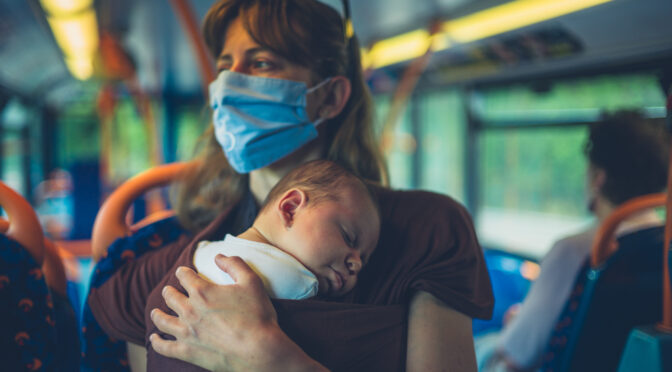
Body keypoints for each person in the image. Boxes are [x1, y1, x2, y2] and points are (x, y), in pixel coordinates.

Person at [86, 0, 494, 371]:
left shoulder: (428, 228)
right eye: (226, 65)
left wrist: (273, 361)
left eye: (262, 63)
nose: (230, 84)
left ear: (330, 97)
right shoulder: (162, 266)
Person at [478, 110, 669, 371]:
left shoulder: (577, 251)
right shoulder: (663, 244)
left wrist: (515, 327)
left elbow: (516, 355)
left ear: (598, 179)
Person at [193, 159, 380, 299]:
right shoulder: (298, 286)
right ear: (290, 209)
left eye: (363, 259)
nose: (357, 264)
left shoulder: (203, 251)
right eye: (348, 237)